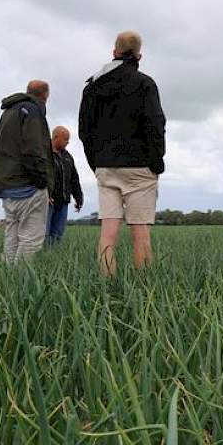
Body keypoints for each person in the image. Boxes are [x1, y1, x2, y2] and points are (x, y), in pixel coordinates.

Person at [78, 31, 166, 276]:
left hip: (106, 166)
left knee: (108, 233)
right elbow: (156, 125)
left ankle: (108, 288)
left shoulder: (93, 86)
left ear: (114, 52)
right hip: (139, 167)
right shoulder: (145, 83)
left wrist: (95, 163)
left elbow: (84, 130)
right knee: (140, 234)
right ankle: (145, 291)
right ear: (139, 55)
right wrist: (156, 163)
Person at [0, 80, 54, 264]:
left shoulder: (8, 112)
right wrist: (42, 180)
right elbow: (33, 150)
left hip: (6, 186)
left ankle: (8, 279)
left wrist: (8, 165)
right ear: (45, 97)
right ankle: (21, 284)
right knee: (30, 240)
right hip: (29, 187)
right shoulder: (33, 111)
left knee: (12, 236)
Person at [45, 126, 84, 245]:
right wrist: (45, 194)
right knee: (43, 234)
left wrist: (78, 198)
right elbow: (39, 176)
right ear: (55, 137)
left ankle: (53, 258)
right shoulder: (45, 154)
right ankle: (42, 259)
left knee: (57, 235)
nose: (68, 142)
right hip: (48, 202)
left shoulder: (68, 157)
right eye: (65, 139)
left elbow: (74, 179)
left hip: (63, 202)